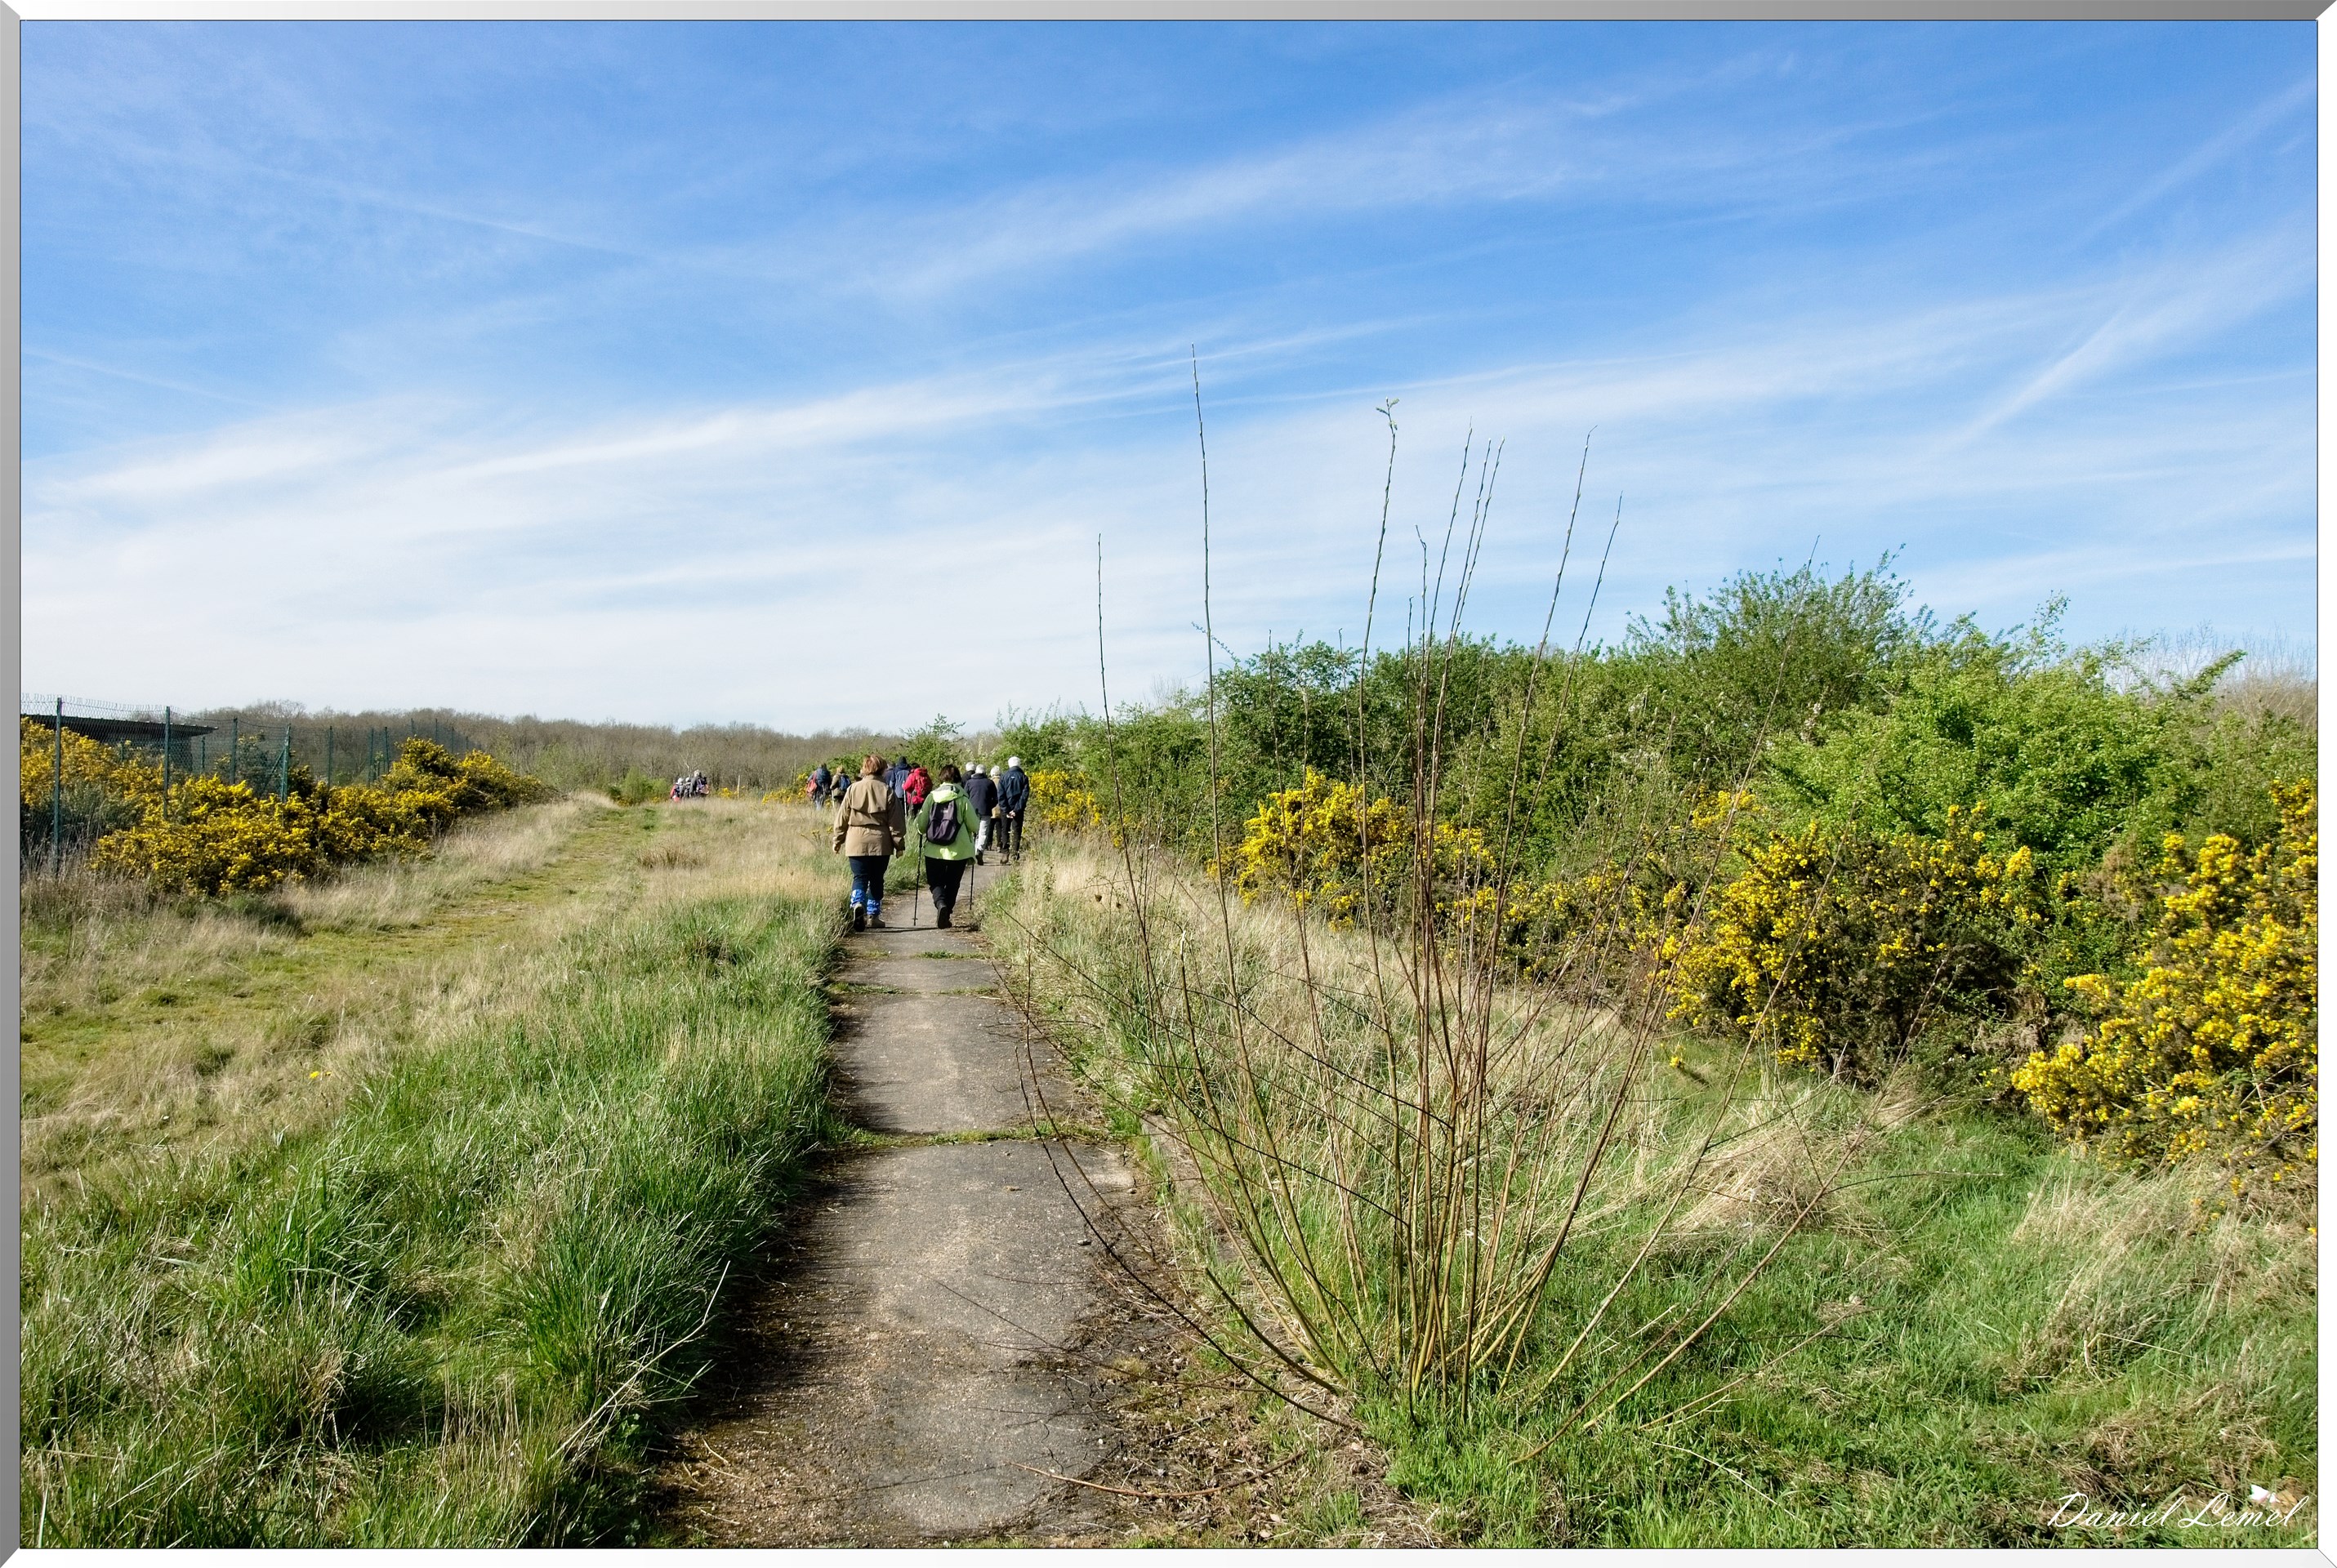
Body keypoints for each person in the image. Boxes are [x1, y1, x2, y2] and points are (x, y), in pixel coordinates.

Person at [832, 754, 906, 929]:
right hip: (880, 843)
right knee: (877, 879)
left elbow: (842, 818)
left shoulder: (852, 789)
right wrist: (899, 845)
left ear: (864, 769)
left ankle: (858, 904)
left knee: (859, 877)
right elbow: (896, 823)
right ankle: (873, 916)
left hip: (855, 841)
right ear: (882, 769)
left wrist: (837, 840)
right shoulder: (887, 791)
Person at [912, 764, 979, 928]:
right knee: (953, 883)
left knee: (936, 882)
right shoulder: (963, 799)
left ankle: (940, 903)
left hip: (934, 849)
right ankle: (946, 912)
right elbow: (975, 826)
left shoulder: (931, 797)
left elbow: (921, 825)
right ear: (957, 779)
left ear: (941, 778)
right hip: (959, 851)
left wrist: (921, 829)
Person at [996, 755, 1030, 864]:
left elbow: (1000, 795)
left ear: (1009, 764)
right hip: (1018, 811)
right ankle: (1015, 854)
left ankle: (1005, 853)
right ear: (1019, 764)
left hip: (1005, 809)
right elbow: (1024, 796)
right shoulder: (1023, 777)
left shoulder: (1004, 777)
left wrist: (1006, 810)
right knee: (1017, 831)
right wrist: (1016, 809)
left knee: (1004, 830)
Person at [962, 763, 999, 862]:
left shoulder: (969, 783)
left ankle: (971, 853)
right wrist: (989, 806)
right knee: (983, 832)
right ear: (985, 772)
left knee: (972, 831)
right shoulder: (989, 783)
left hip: (972, 811)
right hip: (986, 811)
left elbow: (965, 796)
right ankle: (979, 851)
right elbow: (996, 799)